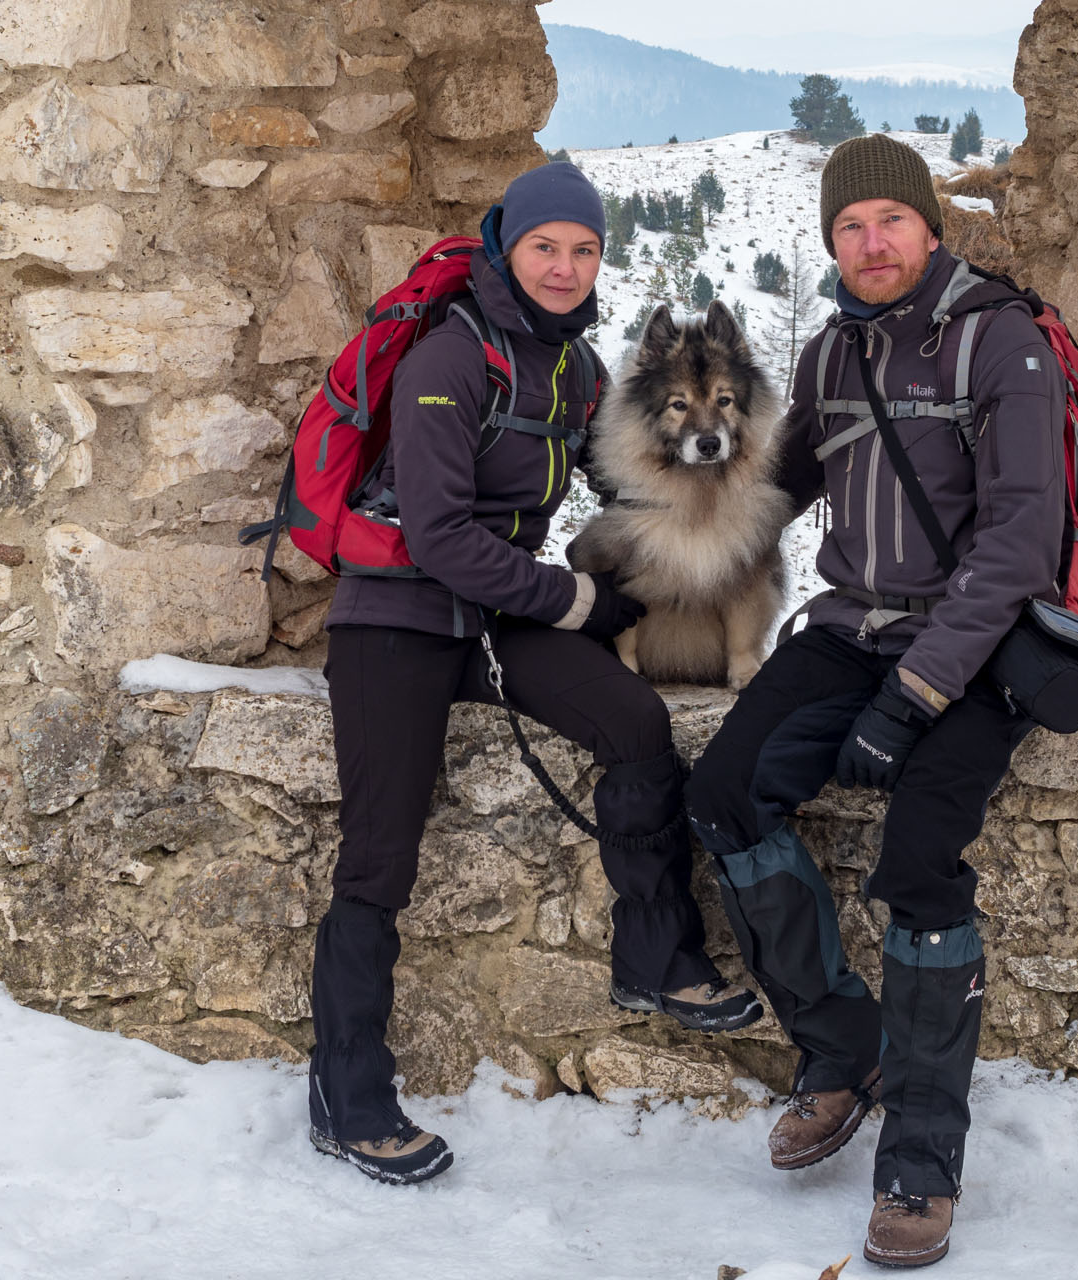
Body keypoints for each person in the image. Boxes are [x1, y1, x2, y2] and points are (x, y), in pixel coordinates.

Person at [308, 162, 763, 1187]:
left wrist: (738, 484)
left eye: (586, 249)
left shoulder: (576, 367)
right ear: (506, 245)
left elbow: (624, 470)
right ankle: (350, 1091)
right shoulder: (450, 356)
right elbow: (434, 536)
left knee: (637, 725)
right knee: (381, 849)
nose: (566, 266)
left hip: (499, 611)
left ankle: (655, 953)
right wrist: (576, 602)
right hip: (398, 615)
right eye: (546, 246)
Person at [683, 133, 1065, 1267]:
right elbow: (768, 492)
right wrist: (638, 528)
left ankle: (924, 1153)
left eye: (889, 220)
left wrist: (917, 690)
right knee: (721, 793)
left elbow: (1019, 543)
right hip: (855, 627)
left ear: (928, 224)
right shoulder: (830, 353)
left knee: (918, 861)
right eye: (849, 229)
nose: (870, 243)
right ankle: (845, 1048)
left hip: (982, 644)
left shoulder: (1003, 342)